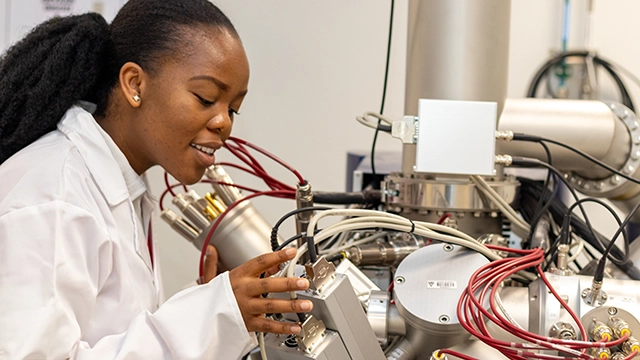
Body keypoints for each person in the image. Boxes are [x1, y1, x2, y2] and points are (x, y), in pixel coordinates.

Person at [0, 1, 313, 358]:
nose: (224, 123)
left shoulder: (120, 183)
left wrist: (204, 307)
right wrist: (210, 318)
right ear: (135, 84)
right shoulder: (52, 198)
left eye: (233, 108)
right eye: (206, 98)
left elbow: (111, 330)